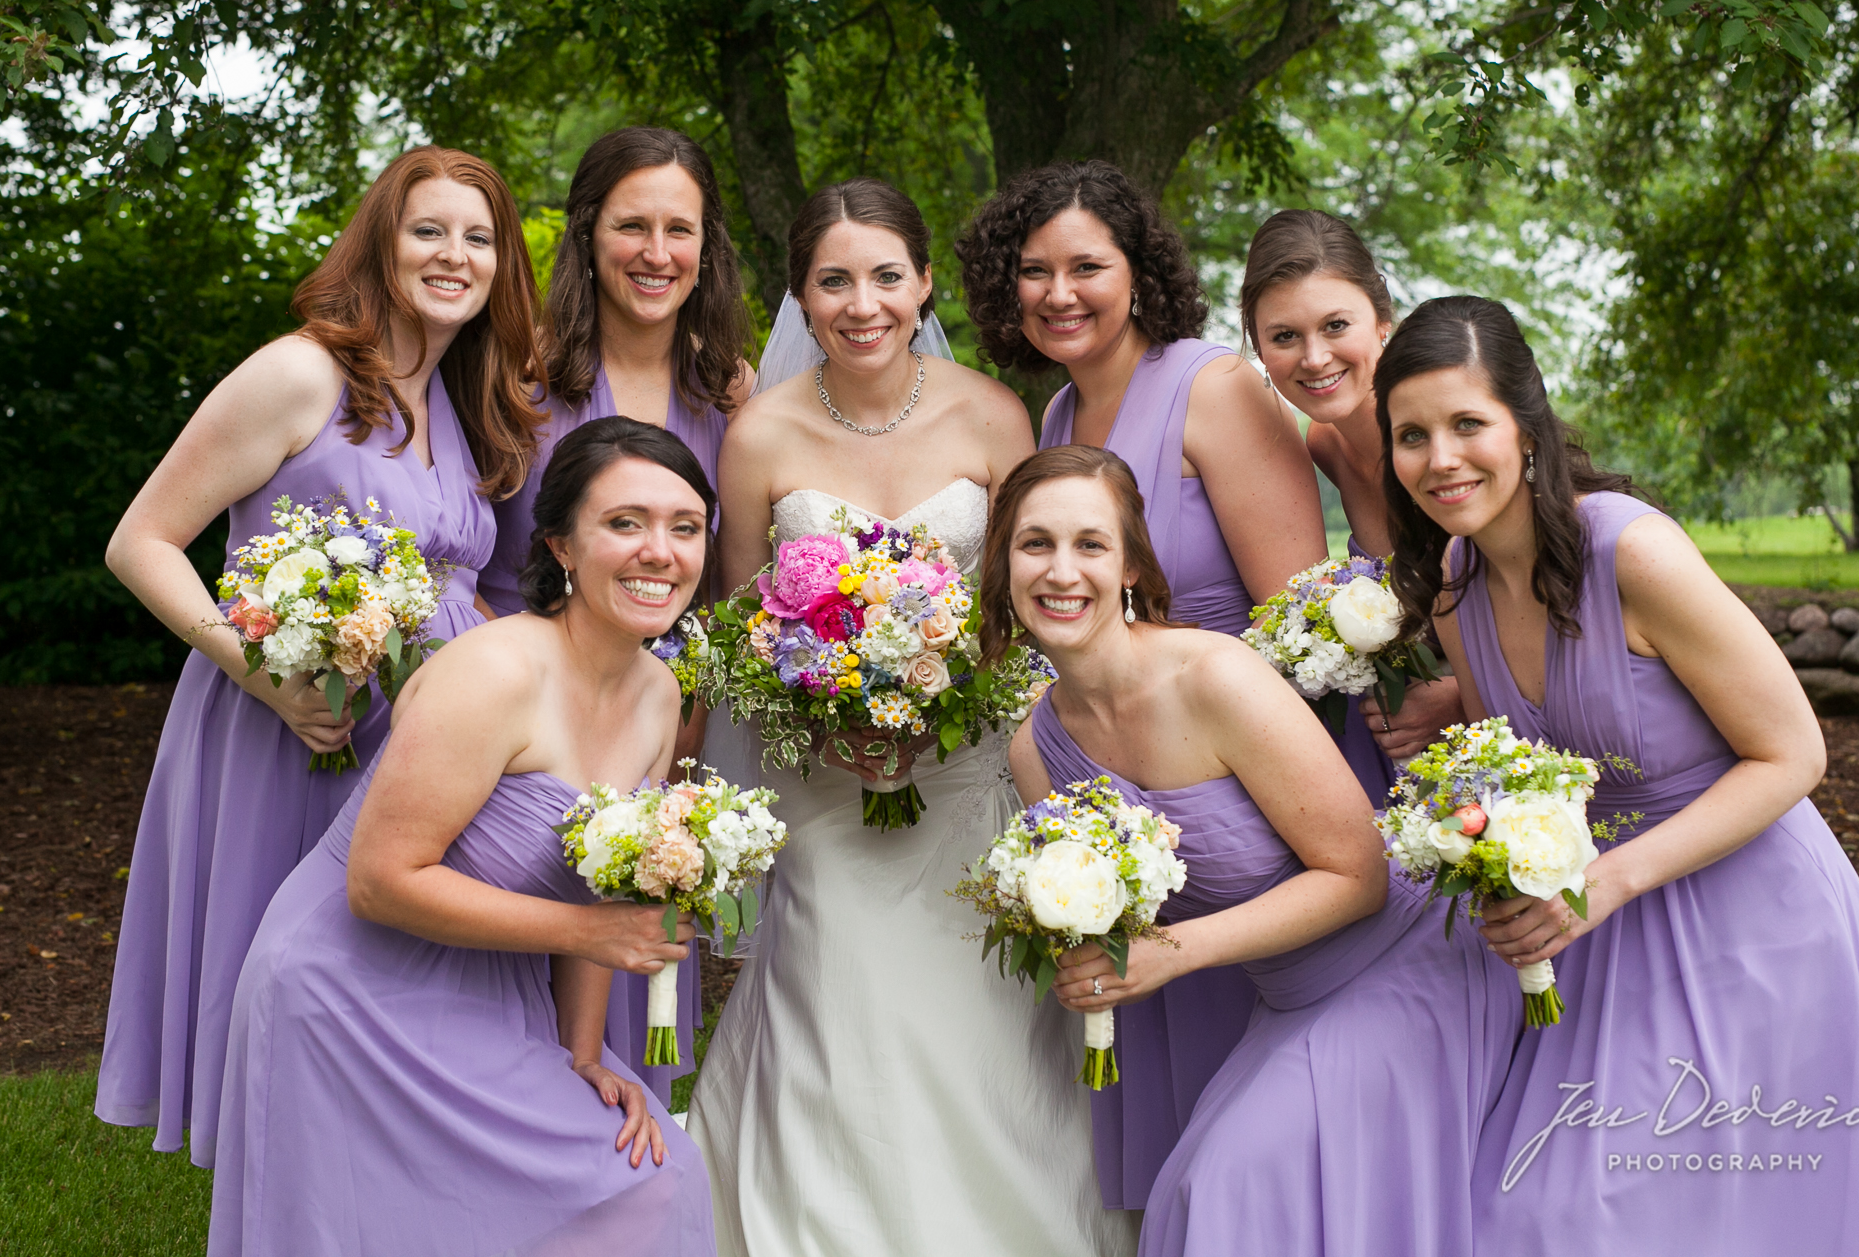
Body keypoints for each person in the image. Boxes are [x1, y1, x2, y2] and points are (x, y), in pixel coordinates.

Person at [1375, 296, 1859, 1255]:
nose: (1441, 457)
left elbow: (1795, 752)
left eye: (1469, 423)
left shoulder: (1630, 551)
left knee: (1699, 1214)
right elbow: (1518, 766)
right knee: (1533, 1211)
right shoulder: (1459, 590)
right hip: (1602, 928)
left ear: (1529, 427)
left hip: (1757, 914)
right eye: (1411, 435)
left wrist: (1603, 880)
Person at [689, 178, 1135, 1256]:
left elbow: (1025, 597)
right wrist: (824, 714)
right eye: (832, 280)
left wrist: (945, 704)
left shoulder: (991, 411)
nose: (861, 304)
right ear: (800, 296)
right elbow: (738, 630)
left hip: (964, 771)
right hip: (824, 786)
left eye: (885, 276)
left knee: (981, 1020)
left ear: (923, 283)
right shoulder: (758, 434)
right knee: (840, 1005)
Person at [97, 146, 542, 1164]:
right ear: (380, 243)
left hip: (420, 740)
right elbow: (141, 543)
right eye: (428, 230)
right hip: (296, 728)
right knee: (299, 988)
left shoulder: (456, 400)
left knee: (397, 989)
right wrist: (269, 682)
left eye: (478, 239)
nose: (454, 255)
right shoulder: (301, 373)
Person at [989, 445, 1519, 1254]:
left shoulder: (1214, 677)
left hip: (1408, 968)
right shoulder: (1036, 749)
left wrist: (1169, 951)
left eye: (1090, 544)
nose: (1062, 571)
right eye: (1036, 544)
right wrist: (1088, 951)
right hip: (1288, 998)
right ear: (1004, 561)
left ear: (1130, 563)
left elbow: (1359, 875)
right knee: (1185, 1196)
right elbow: (1102, 913)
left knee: (1225, 1185)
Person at [208, 418, 715, 1256]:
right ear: (561, 545)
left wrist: (584, 1055)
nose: (659, 550)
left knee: (653, 1179)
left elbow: (610, 877)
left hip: (495, 996)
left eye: (684, 527)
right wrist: (593, 932)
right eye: (625, 522)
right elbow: (379, 879)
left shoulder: (660, 696)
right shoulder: (495, 671)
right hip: (348, 995)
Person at [956, 159, 1326, 1208]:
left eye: (1087, 266)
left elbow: (1298, 626)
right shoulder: (1060, 412)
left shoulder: (1213, 388)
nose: (1058, 292)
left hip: (1247, 785)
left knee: (1252, 1140)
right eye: (1032, 271)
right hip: (1119, 794)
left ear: (1139, 272)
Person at [477, 125, 754, 1103]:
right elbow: (467, 550)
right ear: (589, 234)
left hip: (661, 719)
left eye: (678, 228)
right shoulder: (521, 373)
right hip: (515, 722)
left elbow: (721, 592)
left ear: (705, 247)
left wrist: (682, 722)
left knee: (622, 945)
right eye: (631, 224)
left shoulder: (727, 394)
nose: (655, 251)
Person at [1239, 209, 1468, 797]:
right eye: (1285, 336)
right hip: (1403, 749)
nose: (1314, 358)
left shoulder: (1451, 447)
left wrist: (1457, 698)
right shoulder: (1326, 443)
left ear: (1383, 323)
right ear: (1260, 348)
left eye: (1336, 325)